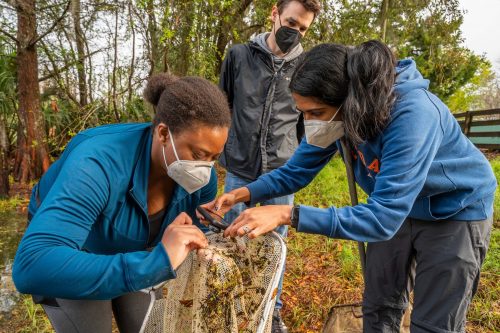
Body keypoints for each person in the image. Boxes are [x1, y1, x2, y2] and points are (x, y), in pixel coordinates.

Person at [205, 41, 497, 332]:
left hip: (454, 210)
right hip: (395, 205)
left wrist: (287, 215)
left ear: (350, 101)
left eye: (315, 113)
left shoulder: (413, 115)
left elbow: (383, 218)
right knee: (379, 304)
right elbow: (296, 170)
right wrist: (244, 193)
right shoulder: (337, 116)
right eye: (302, 113)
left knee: (434, 323)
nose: (309, 122)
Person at [12, 73, 231, 333]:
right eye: (198, 154)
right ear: (163, 134)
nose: (205, 168)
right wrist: (153, 265)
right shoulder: (98, 164)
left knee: (150, 326)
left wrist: (198, 234)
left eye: (214, 157)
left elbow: (192, 231)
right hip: (77, 249)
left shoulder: (201, 180)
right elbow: (32, 265)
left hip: (137, 250)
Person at [218, 1, 320, 330]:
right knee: (230, 237)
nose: (295, 32)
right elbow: (223, 107)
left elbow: (307, 121)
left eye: (303, 28)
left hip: (282, 171)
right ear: (274, 14)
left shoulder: (307, 66)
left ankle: (270, 310)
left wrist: (299, 159)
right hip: (240, 167)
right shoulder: (238, 56)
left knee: (275, 245)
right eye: (291, 22)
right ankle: (228, 303)